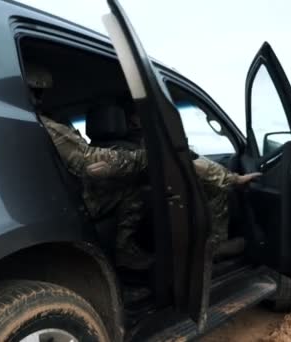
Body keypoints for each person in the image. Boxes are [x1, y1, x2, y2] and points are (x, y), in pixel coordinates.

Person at [27, 64, 260, 269]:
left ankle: (128, 252)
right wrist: (150, 157)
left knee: (135, 187)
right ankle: (210, 247)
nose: (41, 98)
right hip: (77, 198)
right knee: (149, 186)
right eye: (39, 92)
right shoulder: (45, 125)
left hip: (59, 196)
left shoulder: (34, 123)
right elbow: (89, 161)